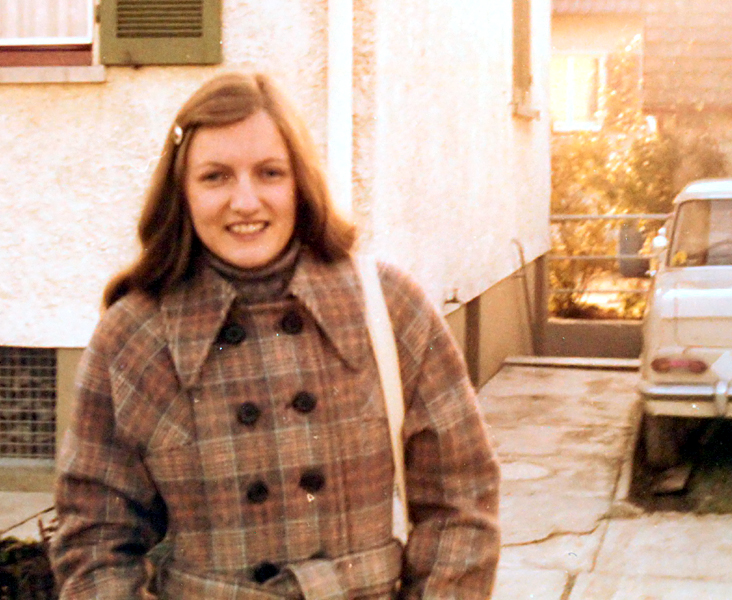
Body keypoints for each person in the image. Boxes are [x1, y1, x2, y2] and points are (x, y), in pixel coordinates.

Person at [50, 72, 501, 599]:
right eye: (215, 177)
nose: (245, 201)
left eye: (269, 173)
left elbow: (461, 500)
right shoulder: (134, 336)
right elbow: (95, 538)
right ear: (182, 191)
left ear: (299, 183)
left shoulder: (388, 306)